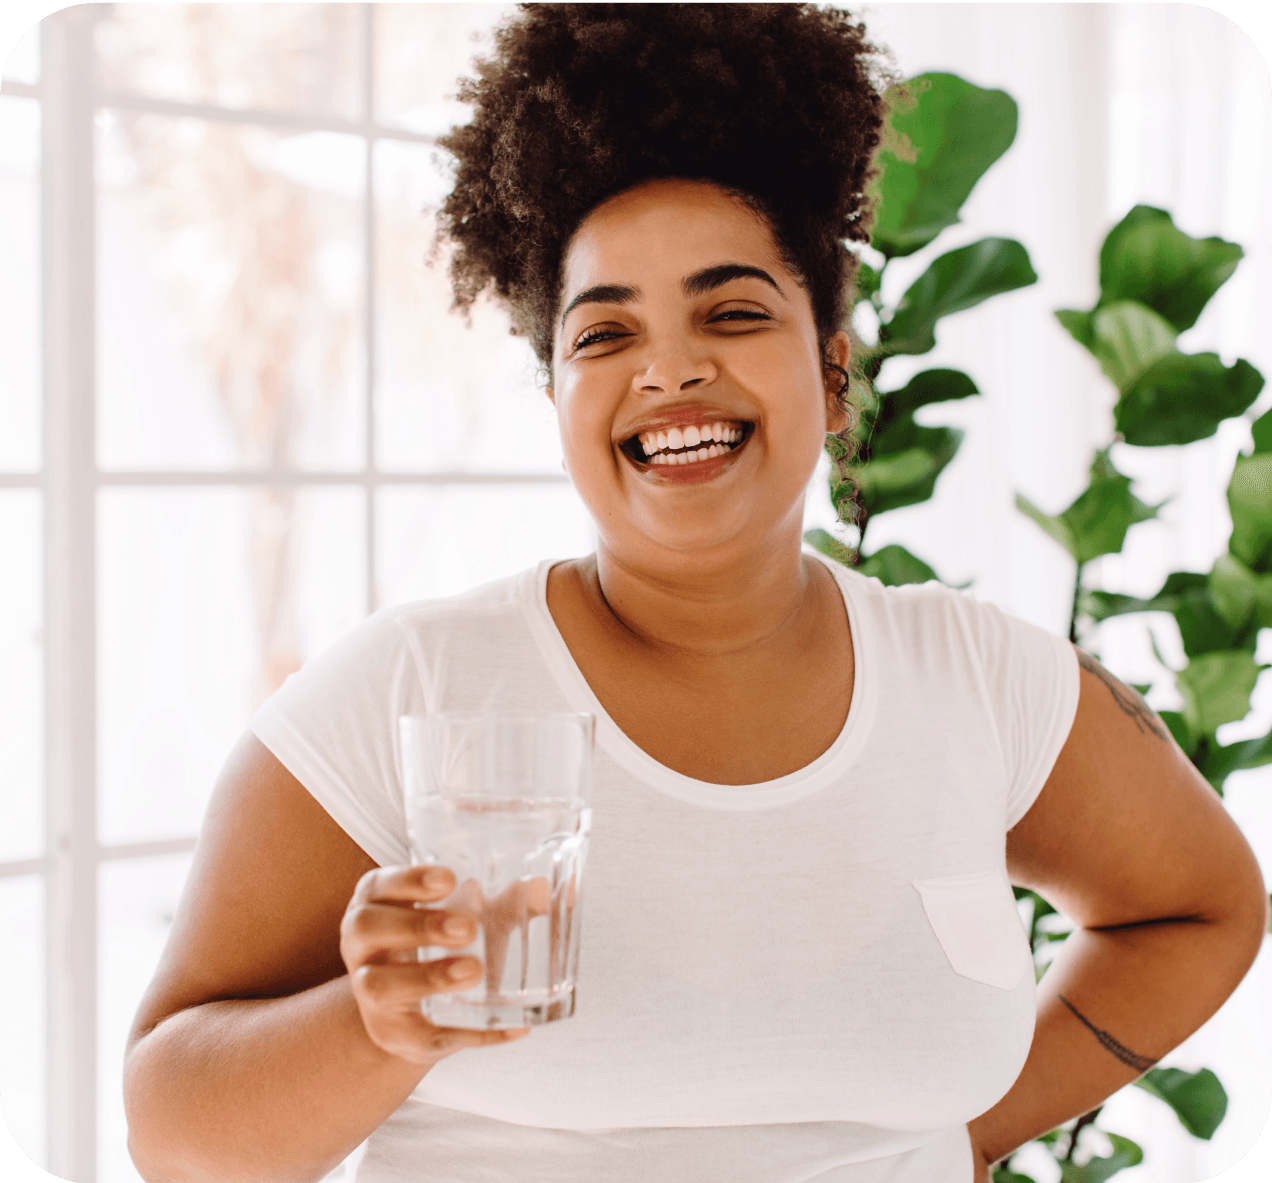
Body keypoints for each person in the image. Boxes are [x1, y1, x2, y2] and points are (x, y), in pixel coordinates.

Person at [122, 6, 1268, 1182]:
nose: (668, 369)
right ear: (558, 393)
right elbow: (172, 1129)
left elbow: (1201, 910)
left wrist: (947, 1139)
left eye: (730, 312)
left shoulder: (982, 678)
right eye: (604, 332)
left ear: (832, 371)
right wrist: (376, 1028)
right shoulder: (411, 685)